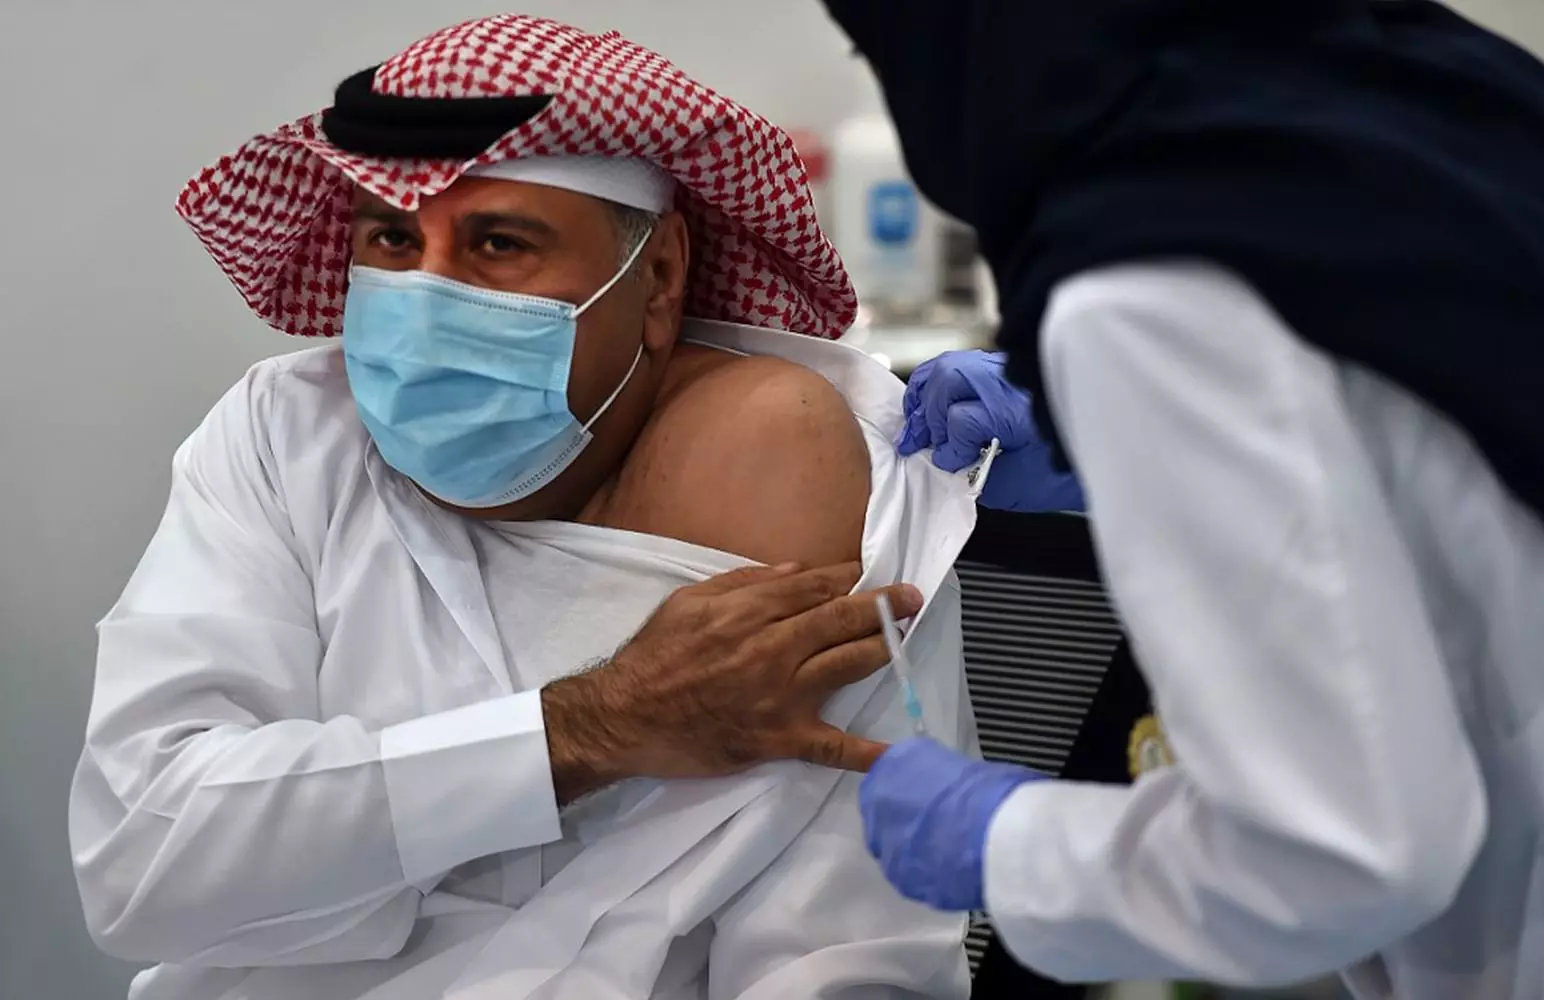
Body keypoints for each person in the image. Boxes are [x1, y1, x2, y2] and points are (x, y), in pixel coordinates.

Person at [69, 16, 984, 1000]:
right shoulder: (284, 437)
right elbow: (145, 861)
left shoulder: (817, 474)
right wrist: (579, 732)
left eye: (498, 243)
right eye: (392, 239)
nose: (424, 297)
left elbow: (843, 961)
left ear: (660, 278)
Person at [821, 1, 1544, 998]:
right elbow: (1450, 417)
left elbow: (1337, 857)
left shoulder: (1144, 272)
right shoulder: (1414, 82)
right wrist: (1106, 441)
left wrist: (1007, 844)